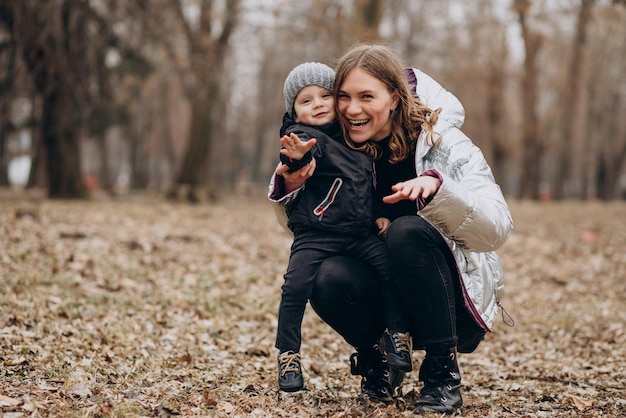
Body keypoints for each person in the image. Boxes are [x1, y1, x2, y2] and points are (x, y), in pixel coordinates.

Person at [270, 44, 512, 415]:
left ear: (395, 98)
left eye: (367, 96)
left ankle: (441, 373)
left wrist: (438, 189)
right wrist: (292, 187)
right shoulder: (330, 147)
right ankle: (377, 362)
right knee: (325, 274)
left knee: (406, 231)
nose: (353, 109)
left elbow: (496, 228)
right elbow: (307, 230)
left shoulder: (441, 142)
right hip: (384, 295)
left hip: (450, 299)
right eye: (345, 97)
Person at [271, 62, 412, 393]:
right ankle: (288, 354)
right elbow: (302, 159)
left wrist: (379, 213)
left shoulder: (355, 138)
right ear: (293, 111)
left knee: (390, 269)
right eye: (306, 101)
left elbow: (365, 183)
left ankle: (397, 335)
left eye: (325, 95)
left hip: (358, 234)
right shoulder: (306, 137)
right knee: (294, 288)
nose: (317, 104)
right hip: (316, 234)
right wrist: (297, 160)